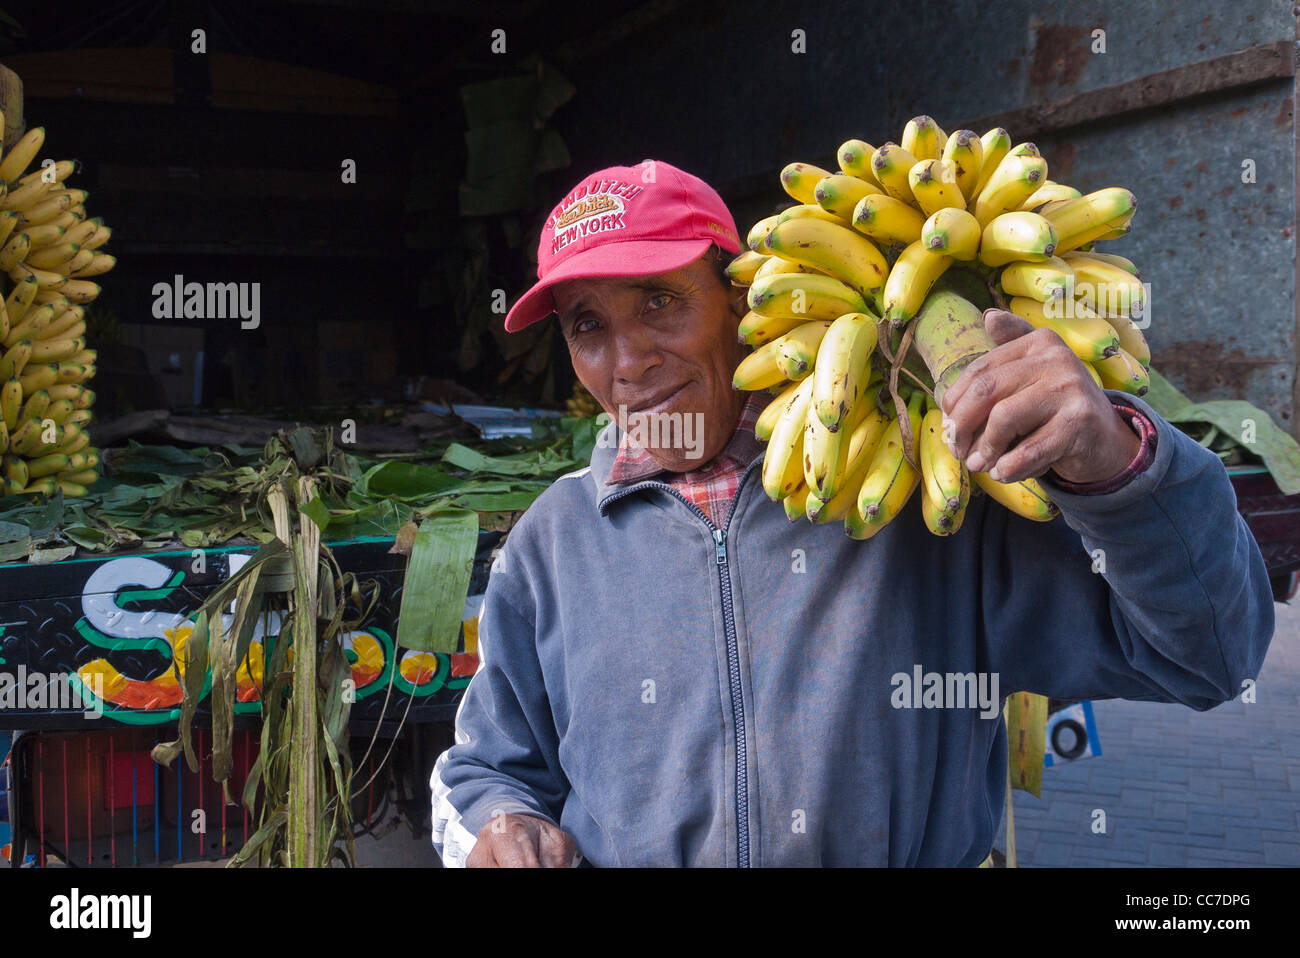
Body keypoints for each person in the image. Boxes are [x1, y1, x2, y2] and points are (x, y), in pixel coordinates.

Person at [430, 159, 1274, 867]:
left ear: (741, 298)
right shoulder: (552, 546)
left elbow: (1210, 658)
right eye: (588, 326)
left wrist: (1119, 470)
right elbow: (490, 767)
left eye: (659, 302)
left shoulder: (923, 504)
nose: (629, 362)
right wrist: (500, 825)